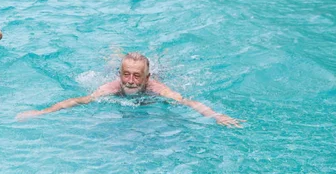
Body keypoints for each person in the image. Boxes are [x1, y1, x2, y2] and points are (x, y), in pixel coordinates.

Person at [17, 52, 244, 127]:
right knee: (113, 60)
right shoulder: (111, 87)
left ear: (147, 78)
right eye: (126, 74)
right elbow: (78, 101)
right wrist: (41, 113)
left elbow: (186, 101)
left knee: (165, 68)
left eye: (137, 76)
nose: (131, 81)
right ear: (119, 75)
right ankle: (114, 54)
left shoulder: (156, 87)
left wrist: (215, 116)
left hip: (158, 80)